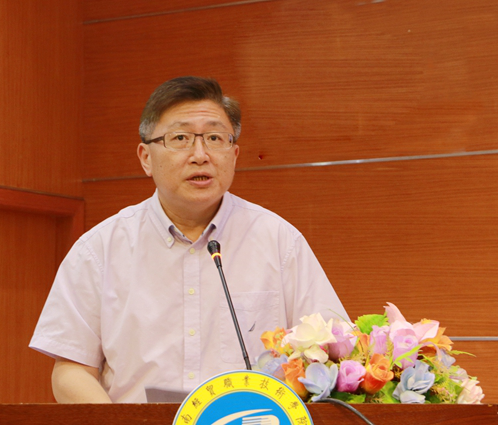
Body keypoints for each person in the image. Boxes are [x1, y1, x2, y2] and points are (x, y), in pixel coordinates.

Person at [29, 76, 348, 403]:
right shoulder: (99, 250)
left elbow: (333, 353)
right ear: (146, 157)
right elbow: (71, 370)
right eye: (180, 138)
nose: (200, 155)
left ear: (234, 154)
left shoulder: (280, 242)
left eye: (215, 138)